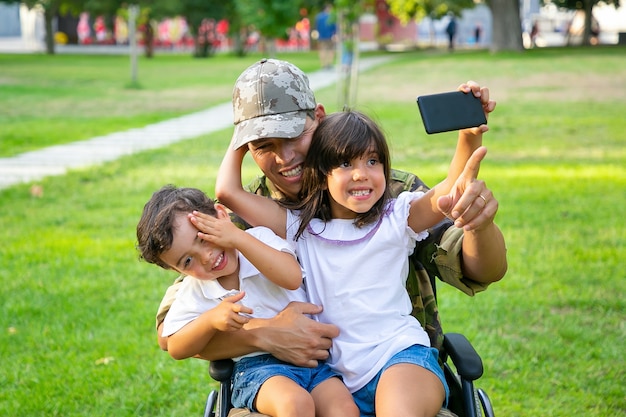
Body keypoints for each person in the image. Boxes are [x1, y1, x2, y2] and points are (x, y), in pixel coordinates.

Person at [154, 59, 506, 412]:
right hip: (308, 379)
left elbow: (475, 260)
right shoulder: (248, 220)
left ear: (318, 118)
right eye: (263, 145)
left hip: (397, 361)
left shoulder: (390, 198)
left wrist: (477, 206)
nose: (284, 155)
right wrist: (263, 334)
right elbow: (175, 330)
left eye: (294, 135)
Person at [215, 107, 499, 415]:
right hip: (330, 379)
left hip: (399, 356)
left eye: (373, 161)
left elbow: (451, 188)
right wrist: (244, 135)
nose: (361, 173)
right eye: (345, 163)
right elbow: (227, 193)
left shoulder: (397, 217)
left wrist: (468, 136)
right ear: (321, 177)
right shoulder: (299, 229)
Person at [137, 185, 358, 417]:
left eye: (203, 238)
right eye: (188, 260)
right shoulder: (197, 290)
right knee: (295, 404)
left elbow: (291, 278)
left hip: (312, 362)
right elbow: (175, 347)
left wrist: (237, 238)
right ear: (176, 269)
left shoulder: (259, 239)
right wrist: (209, 321)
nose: (206, 257)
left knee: (344, 409)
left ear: (221, 215)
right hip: (258, 370)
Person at [314, 4, 337, 69]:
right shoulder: (331, 17)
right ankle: (329, 64)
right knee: (330, 50)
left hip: (321, 36)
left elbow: (316, 27)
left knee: (322, 50)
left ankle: (323, 65)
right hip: (330, 36)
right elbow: (334, 27)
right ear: (328, 8)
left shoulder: (318, 17)